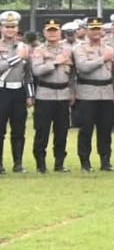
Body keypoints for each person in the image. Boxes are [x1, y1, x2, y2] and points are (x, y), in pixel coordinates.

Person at [73, 17, 114, 172]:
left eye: (98, 29)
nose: (96, 32)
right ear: (87, 30)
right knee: (86, 129)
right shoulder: (80, 48)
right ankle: (85, 161)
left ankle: (105, 160)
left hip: (106, 93)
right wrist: (102, 59)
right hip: (87, 92)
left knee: (105, 129)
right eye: (93, 29)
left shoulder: (109, 48)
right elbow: (82, 67)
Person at [31, 19, 74, 173]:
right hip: (45, 95)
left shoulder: (68, 50)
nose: (52, 33)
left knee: (62, 131)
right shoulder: (39, 50)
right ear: (44, 33)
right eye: (49, 30)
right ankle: (41, 164)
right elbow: (37, 71)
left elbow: (73, 74)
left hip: (63, 95)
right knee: (42, 131)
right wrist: (55, 62)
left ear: (60, 32)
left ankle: (59, 163)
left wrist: (72, 92)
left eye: (55, 30)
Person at [0, 11, 30, 173]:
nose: (10, 30)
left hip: (19, 91)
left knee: (19, 129)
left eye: (13, 27)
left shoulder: (24, 47)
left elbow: (28, 74)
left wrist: (30, 95)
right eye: (7, 27)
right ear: (1, 28)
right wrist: (17, 58)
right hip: (2, 90)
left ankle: (18, 163)